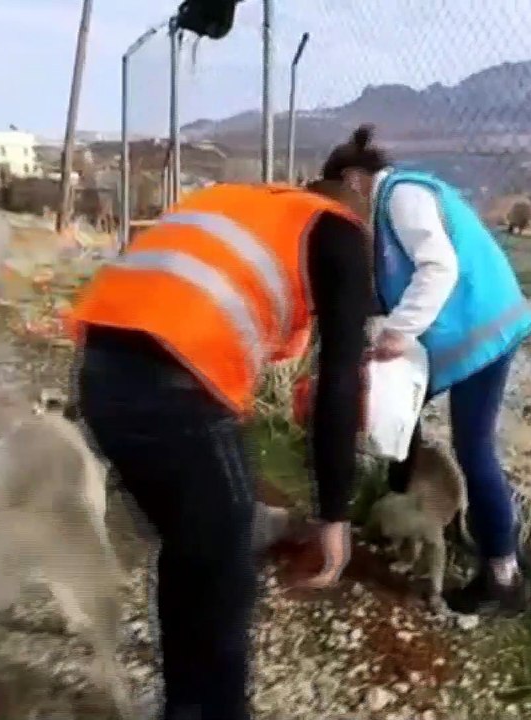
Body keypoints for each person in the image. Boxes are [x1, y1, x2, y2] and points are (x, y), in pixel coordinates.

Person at [67, 180, 374, 720]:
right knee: (223, 568)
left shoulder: (235, 203)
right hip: (176, 384)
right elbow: (339, 382)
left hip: (99, 374)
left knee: (194, 547)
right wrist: (334, 515)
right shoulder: (341, 231)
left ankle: (185, 704)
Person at [320, 125, 531, 616]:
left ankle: (503, 577)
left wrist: (398, 332)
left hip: (483, 335)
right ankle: (400, 516)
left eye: (338, 200)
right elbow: (391, 288)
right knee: (406, 420)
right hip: (471, 335)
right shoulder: (387, 213)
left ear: (353, 180)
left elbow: (438, 267)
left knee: (474, 450)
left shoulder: (403, 196)